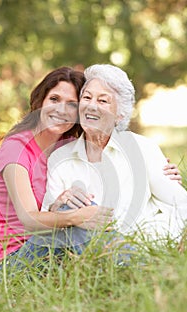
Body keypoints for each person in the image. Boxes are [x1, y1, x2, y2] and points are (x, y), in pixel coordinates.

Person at [0, 65, 182, 272]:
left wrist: (160, 169)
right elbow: (29, 218)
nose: (61, 110)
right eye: (54, 99)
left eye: (72, 104)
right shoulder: (16, 148)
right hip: (13, 260)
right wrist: (75, 215)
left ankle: (128, 263)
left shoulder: (65, 145)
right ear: (39, 101)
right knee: (73, 212)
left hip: (57, 248)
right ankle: (140, 266)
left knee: (74, 211)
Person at [42, 64, 187, 246]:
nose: (91, 106)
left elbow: (181, 205)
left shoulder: (143, 149)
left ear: (120, 114)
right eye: (87, 97)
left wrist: (153, 241)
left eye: (103, 101)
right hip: (84, 255)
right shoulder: (60, 158)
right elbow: (46, 226)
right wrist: (58, 207)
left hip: (136, 250)